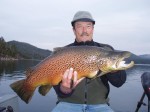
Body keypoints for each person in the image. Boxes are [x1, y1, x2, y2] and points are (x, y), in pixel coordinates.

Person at [52, 11, 126, 112]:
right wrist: (64, 90)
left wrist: (113, 69)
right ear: (74, 30)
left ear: (93, 29)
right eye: (79, 26)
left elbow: (119, 82)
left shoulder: (106, 50)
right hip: (67, 103)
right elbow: (53, 80)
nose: (84, 30)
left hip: (100, 105)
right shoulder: (63, 53)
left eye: (88, 26)